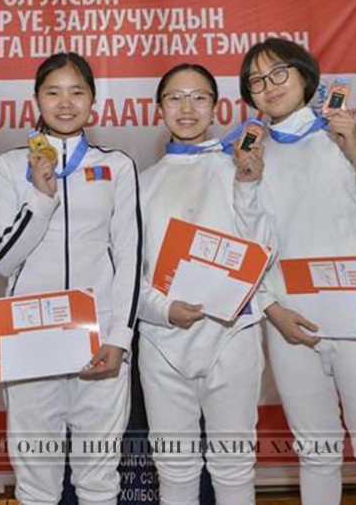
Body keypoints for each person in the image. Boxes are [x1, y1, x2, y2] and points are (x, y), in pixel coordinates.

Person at [238, 38, 356, 505]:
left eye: (279, 73)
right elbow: (252, 248)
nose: (269, 86)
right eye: (256, 81)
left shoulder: (345, 134)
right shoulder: (251, 154)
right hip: (292, 324)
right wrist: (271, 309)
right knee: (316, 455)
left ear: (304, 75)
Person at [0, 52, 142, 505]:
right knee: (36, 485)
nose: (66, 102)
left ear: (93, 100)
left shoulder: (117, 165)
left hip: (100, 339)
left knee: (99, 481)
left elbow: (130, 255)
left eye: (77, 91)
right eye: (53, 92)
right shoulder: (10, 165)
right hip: (30, 336)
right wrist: (40, 197)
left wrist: (120, 337)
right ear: (36, 99)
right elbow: (1, 259)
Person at [137, 63, 275, 505]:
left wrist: (249, 186)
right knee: (174, 470)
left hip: (232, 336)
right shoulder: (139, 184)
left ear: (216, 107)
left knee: (234, 467)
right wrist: (163, 310)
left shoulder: (241, 168)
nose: (187, 108)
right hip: (163, 341)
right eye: (175, 98)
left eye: (199, 98)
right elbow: (127, 274)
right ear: (159, 108)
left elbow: (264, 251)